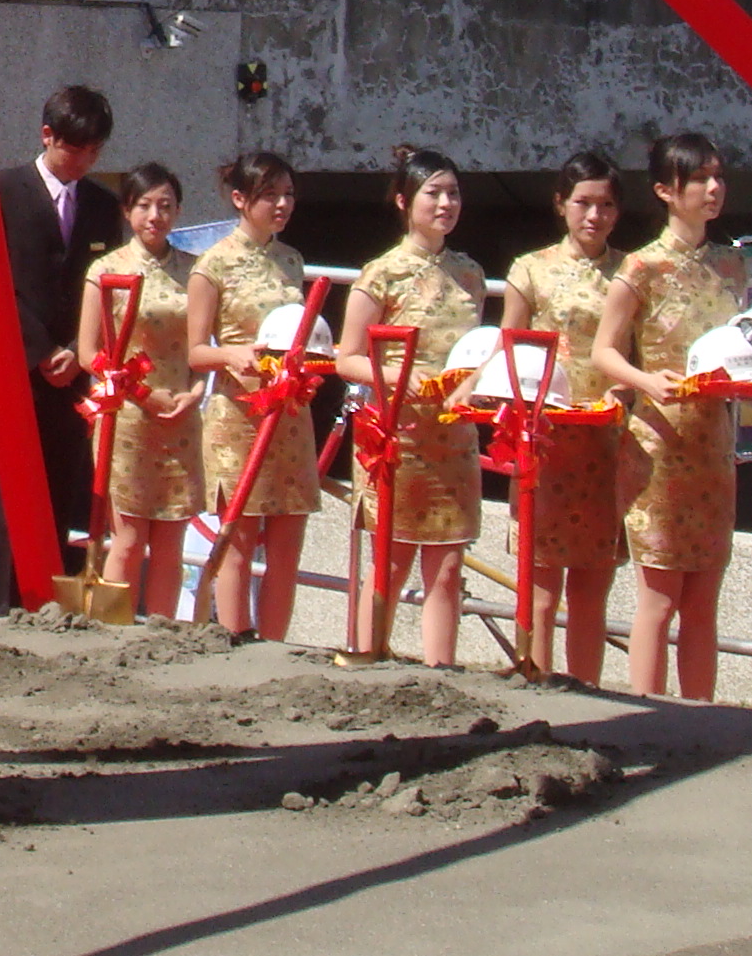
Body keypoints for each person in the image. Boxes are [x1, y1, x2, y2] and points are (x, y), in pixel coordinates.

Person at [590, 131, 744, 700]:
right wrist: (645, 380)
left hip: (714, 444)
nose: (713, 189)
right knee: (659, 596)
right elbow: (604, 350)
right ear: (665, 190)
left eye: (718, 177)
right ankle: (647, 714)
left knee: (704, 597)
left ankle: (700, 714)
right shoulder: (642, 266)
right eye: (699, 179)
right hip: (657, 445)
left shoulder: (730, 263)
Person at [336, 146, 487, 667]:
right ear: (404, 201)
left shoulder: (470, 273)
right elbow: (347, 358)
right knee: (390, 562)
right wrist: (404, 376)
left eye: (453, 194)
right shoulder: (382, 274)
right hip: (397, 437)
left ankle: (438, 672)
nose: (445, 204)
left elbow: (475, 350)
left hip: (454, 437)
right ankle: (365, 656)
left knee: (447, 568)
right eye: (433, 193)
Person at [500, 150, 629, 685]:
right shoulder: (529, 269)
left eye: (604, 205)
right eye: (582, 203)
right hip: (545, 439)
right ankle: (536, 684)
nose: (593, 216)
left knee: (593, 586)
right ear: (561, 205)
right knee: (541, 582)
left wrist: (621, 395)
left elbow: (636, 352)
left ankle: (588, 694)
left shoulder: (630, 272)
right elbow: (510, 350)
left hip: (606, 442)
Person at [185, 151, 314, 641]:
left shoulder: (291, 260)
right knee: (238, 537)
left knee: (286, 541)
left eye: (288, 195)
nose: (281, 205)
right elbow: (196, 351)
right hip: (238, 414)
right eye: (269, 195)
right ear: (240, 199)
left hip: (290, 412)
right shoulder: (212, 265)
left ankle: (277, 644)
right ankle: (236, 638)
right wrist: (233, 356)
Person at [0, 85, 122, 572]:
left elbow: (106, 287)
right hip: (13, 365)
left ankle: (53, 600)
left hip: (76, 372)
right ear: (48, 136)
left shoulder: (102, 205)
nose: (84, 160)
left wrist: (76, 349)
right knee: (9, 495)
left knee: (63, 489)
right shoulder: (4, 190)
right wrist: (40, 349)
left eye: (94, 151)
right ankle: (0, 606)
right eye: (75, 148)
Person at [76, 163, 202, 618]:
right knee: (128, 537)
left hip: (182, 415)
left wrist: (196, 391)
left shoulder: (195, 271)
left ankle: (163, 634)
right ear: (127, 210)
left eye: (166, 206)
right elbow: (89, 352)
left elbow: (205, 345)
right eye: (145, 205)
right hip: (127, 414)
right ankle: (111, 631)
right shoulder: (105, 269)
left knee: (172, 538)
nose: (156, 216)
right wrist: (139, 393)